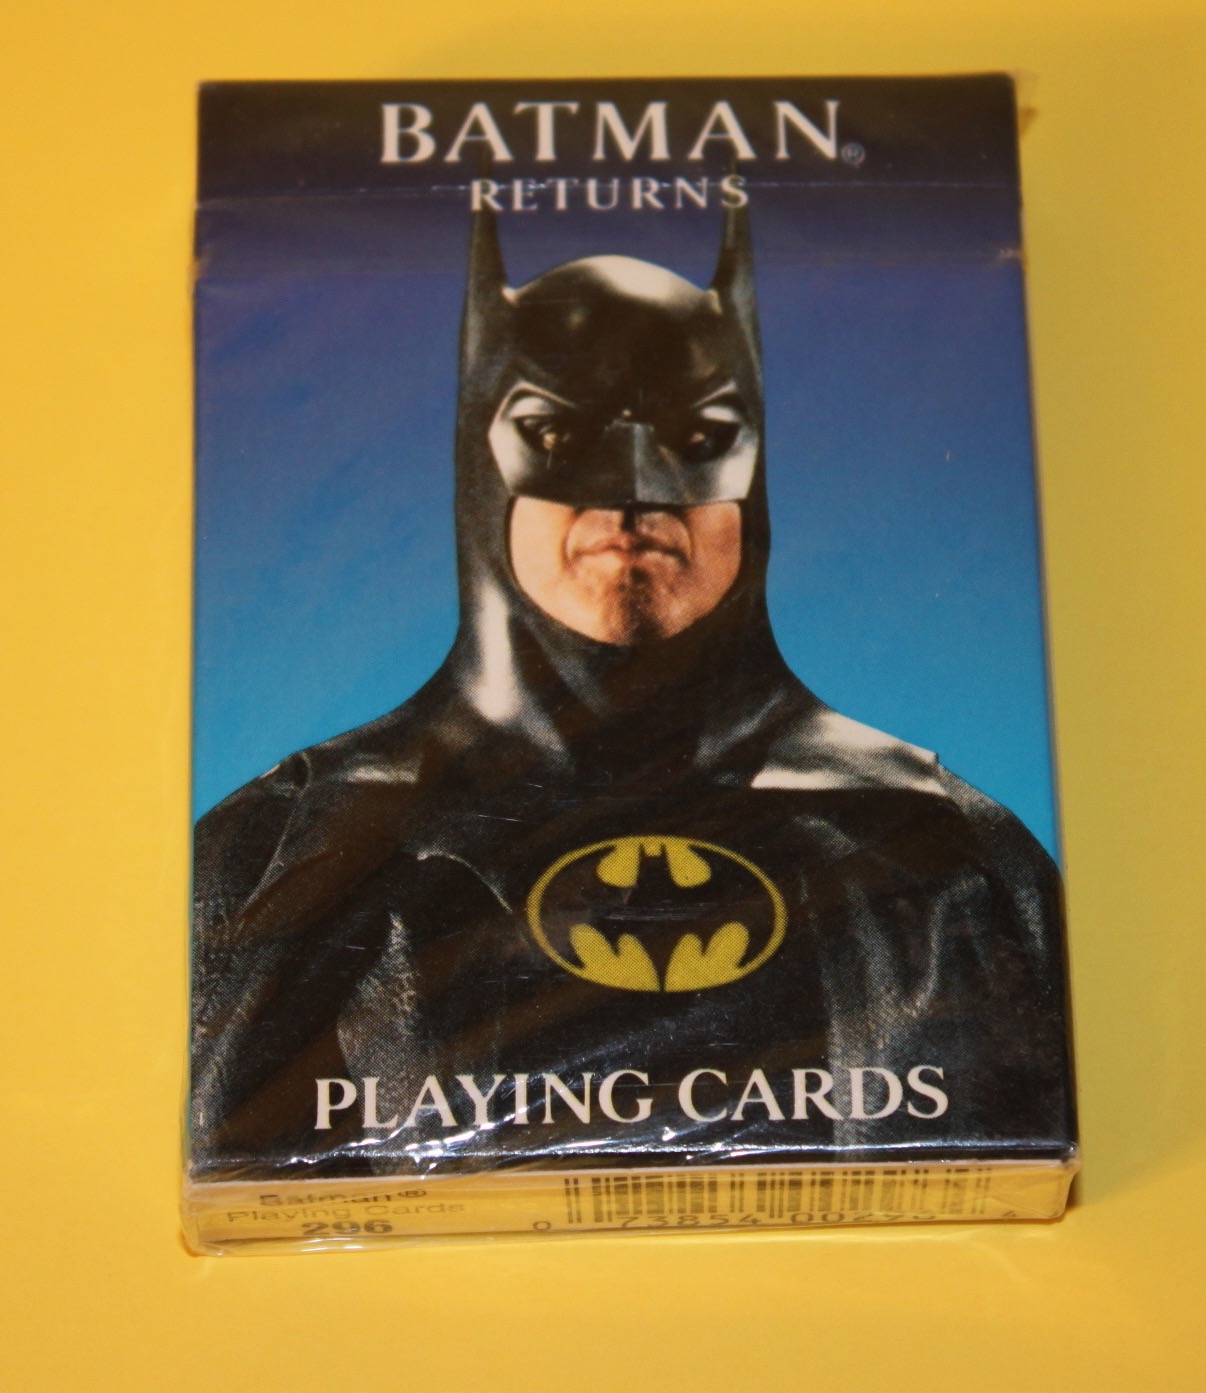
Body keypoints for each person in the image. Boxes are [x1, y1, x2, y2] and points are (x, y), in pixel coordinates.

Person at [190, 205, 1073, 1180]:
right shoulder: (290, 851)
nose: (632, 493)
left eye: (698, 434)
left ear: (750, 472)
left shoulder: (947, 855)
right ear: (484, 460)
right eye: (556, 432)